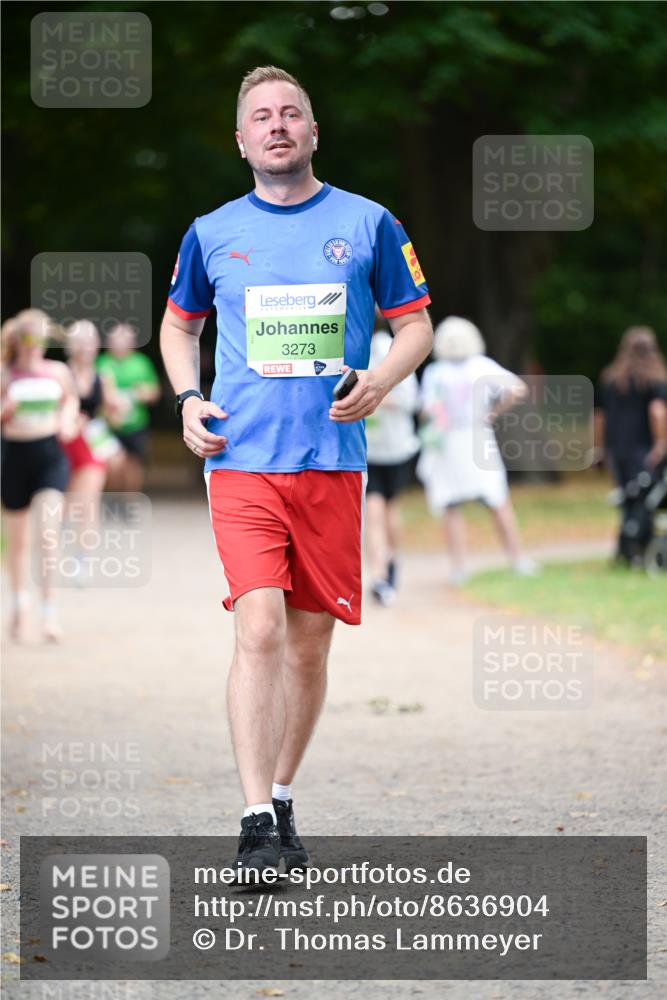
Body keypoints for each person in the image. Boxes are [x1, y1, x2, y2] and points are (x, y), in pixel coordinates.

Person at [160, 65, 433, 874]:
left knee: (309, 647)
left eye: (291, 114)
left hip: (333, 464)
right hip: (241, 461)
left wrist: (378, 382)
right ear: (240, 140)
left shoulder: (369, 221)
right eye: (260, 117)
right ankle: (251, 821)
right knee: (260, 628)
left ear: (313, 132)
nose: (276, 125)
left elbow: (414, 324)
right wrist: (186, 399)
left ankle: (280, 793)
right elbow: (178, 328)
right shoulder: (210, 232)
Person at [416, 316, 536, 585]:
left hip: (447, 442)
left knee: (450, 505)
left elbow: (425, 409)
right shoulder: (481, 367)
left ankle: (460, 566)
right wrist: (493, 412)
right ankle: (517, 558)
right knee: (498, 500)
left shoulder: (437, 372)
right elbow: (518, 388)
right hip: (477, 437)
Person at [1, 309, 78, 641]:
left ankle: (50, 614)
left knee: (48, 535)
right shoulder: (5, 375)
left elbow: (70, 401)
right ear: (17, 341)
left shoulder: (57, 371)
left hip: (49, 457)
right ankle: (20, 605)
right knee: (18, 544)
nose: (36, 346)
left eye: (41, 339)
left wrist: (67, 419)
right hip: (13, 457)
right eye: (29, 339)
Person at [595, 325, 667, 562]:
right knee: (643, 500)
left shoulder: (611, 378)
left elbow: (599, 417)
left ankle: (625, 549)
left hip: (617, 448)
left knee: (627, 498)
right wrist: (660, 443)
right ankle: (639, 547)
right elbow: (657, 411)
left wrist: (599, 447)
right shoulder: (655, 380)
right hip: (643, 450)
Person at [365, 314, 420, 606]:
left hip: (396, 447)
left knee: (389, 510)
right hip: (368, 449)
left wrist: (374, 397)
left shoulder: (391, 349)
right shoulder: (351, 349)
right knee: (374, 509)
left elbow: (411, 399)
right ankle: (378, 573)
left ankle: (391, 564)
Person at [62, 320, 122, 575]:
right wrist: (68, 418)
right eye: (81, 341)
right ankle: (53, 550)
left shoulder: (104, 375)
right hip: (63, 443)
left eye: (91, 341)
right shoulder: (60, 372)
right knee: (63, 503)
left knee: (88, 502)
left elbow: (112, 413)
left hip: (92, 444)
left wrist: (118, 409)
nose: (86, 346)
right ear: (71, 345)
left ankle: (82, 558)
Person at [97, 323, 160, 494]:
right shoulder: (101, 363)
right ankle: (112, 498)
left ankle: (130, 500)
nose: (120, 344)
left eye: (125, 340)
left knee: (134, 464)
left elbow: (154, 392)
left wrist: (140, 394)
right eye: (116, 340)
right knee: (111, 464)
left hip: (136, 424)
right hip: (108, 425)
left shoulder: (141, 363)